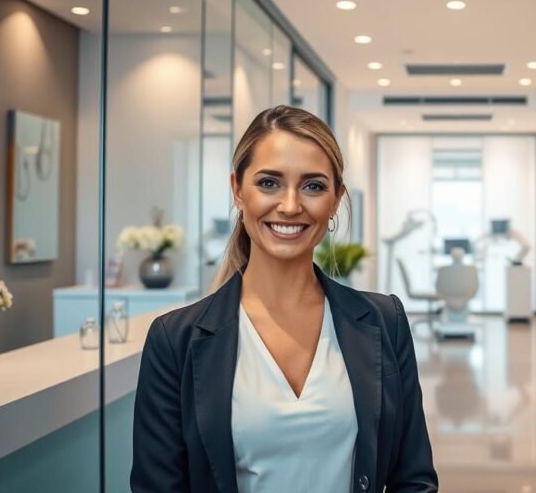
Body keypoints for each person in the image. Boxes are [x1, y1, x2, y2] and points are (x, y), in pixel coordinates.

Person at [131, 106, 437, 493]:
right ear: (238, 190)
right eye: (269, 183)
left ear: (335, 200)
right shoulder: (175, 340)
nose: (290, 206)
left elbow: (413, 479)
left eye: (313, 186)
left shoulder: (384, 321)